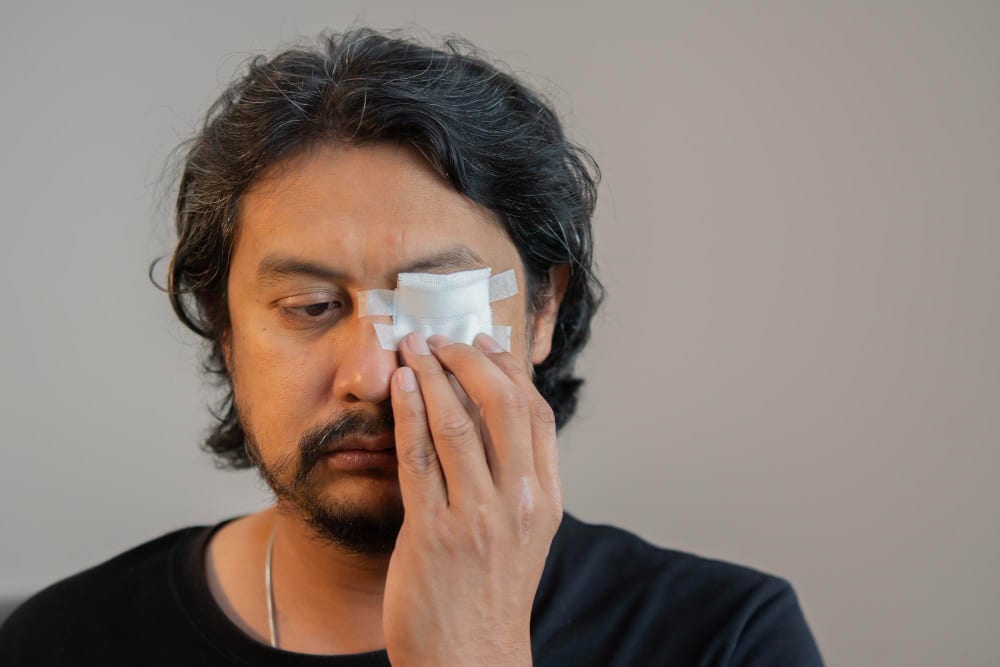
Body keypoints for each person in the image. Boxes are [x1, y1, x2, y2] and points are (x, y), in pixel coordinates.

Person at [0, 28, 824, 666]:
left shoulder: (724, 639)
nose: (370, 374)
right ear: (225, 325)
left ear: (541, 310)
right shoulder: (63, 643)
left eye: (435, 308)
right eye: (311, 306)